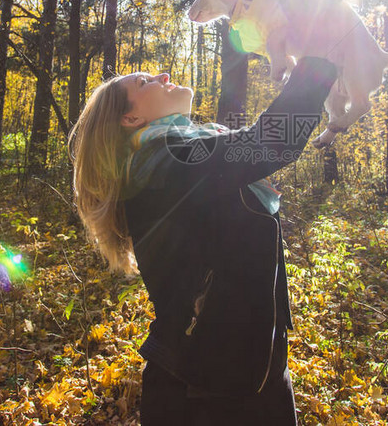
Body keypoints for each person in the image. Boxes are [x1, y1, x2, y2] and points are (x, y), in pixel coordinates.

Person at [69, 55, 338, 425]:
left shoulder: (182, 151)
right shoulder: (167, 158)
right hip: (204, 391)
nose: (163, 74)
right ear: (131, 120)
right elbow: (270, 142)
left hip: (253, 369)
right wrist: (321, 59)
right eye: (145, 82)